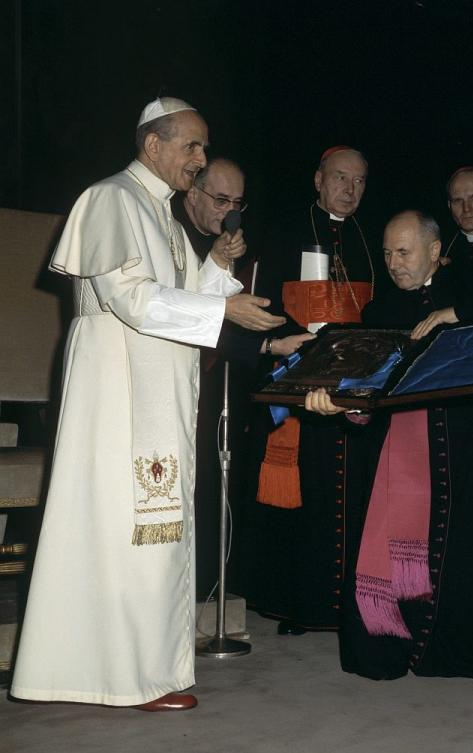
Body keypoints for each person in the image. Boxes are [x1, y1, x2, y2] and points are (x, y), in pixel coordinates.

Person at [10, 97, 285, 711]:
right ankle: (128, 677)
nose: (201, 158)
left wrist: (214, 269)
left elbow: (181, 300)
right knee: (123, 527)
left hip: (155, 393)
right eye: (192, 146)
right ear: (151, 144)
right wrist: (220, 308)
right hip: (119, 393)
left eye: (204, 147)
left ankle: (144, 671)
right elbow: (134, 300)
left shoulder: (159, 213)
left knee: (145, 528)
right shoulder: (111, 199)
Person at [307, 210, 473, 679]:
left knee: (467, 558)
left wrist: (456, 313)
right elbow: (369, 391)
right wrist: (343, 405)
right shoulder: (379, 311)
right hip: (403, 459)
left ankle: (454, 647)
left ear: (433, 252)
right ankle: (395, 647)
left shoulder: (472, 283)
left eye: (403, 252)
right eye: (386, 253)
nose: (392, 263)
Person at [241, 146, 375, 635]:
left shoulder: (368, 237)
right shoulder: (283, 231)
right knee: (305, 498)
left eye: (359, 181)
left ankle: (348, 601)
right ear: (319, 179)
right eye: (341, 178)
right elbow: (264, 306)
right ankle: (299, 603)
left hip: (355, 387)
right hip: (299, 381)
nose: (349, 189)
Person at [170, 158, 311, 600]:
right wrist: (266, 347)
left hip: (214, 387)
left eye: (237, 203)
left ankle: (209, 585)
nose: (229, 212)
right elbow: (182, 314)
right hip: (172, 380)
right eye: (221, 200)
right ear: (193, 194)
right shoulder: (170, 237)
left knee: (215, 482)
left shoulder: (228, 244)